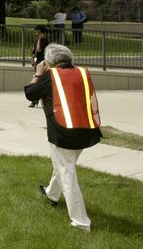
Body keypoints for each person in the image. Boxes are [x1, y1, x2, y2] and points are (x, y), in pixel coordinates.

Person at [24, 43, 101, 232]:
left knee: (67, 172)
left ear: (49, 62)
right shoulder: (82, 72)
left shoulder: (50, 75)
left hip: (63, 132)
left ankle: (81, 222)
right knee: (65, 164)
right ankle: (52, 194)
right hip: (86, 129)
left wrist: (38, 73)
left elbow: (30, 93)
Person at [28, 25, 50, 108]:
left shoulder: (45, 41)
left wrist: (40, 39)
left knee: (38, 81)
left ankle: (35, 101)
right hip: (37, 61)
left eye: (38, 32)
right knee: (37, 81)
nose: (36, 33)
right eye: (36, 31)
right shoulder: (37, 40)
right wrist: (32, 59)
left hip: (42, 63)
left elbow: (38, 50)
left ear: (43, 33)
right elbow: (34, 51)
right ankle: (35, 101)